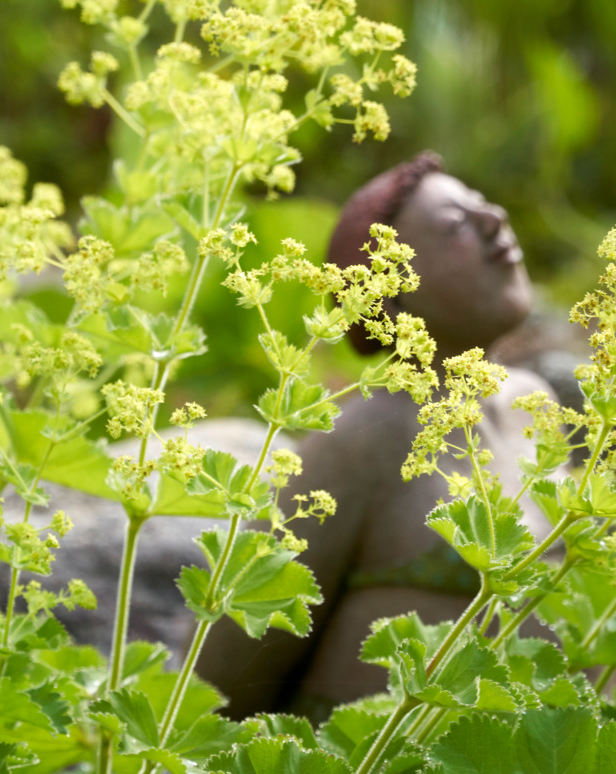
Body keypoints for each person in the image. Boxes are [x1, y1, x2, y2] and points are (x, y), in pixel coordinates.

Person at [199, 153, 553, 716]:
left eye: (481, 201)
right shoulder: (367, 436)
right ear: (390, 290)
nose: (496, 218)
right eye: (456, 224)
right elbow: (225, 679)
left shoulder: (535, 405)